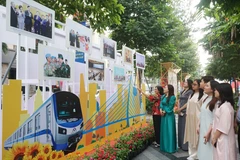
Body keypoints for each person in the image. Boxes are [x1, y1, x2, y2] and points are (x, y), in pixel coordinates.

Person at [211, 83, 237, 160]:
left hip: (223, 138)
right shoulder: (222, 105)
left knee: (224, 156)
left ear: (222, 92)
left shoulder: (225, 107)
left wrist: (214, 138)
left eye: (216, 90)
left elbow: (223, 126)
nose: (214, 91)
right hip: (221, 137)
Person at [197, 80, 219, 160]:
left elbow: (214, 119)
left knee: (209, 150)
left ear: (212, 89)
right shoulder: (206, 98)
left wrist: (208, 132)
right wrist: (198, 125)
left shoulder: (216, 102)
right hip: (203, 127)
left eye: (207, 86)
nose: (204, 87)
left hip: (210, 129)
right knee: (203, 148)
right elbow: (202, 113)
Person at [184, 79, 203, 160]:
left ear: (199, 85)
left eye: (195, 84)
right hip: (190, 118)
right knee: (190, 135)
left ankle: (196, 154)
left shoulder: (202, 96)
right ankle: (191, 153)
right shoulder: (191, 94)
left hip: (197, 118)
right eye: (193, 84)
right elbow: (188, 105)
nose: (193, 85)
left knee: (196, 136)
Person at [160, 84, 177, 153]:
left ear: (169, 89)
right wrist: (161, 109)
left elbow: (170, 107)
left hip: (169, 116)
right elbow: (161, 104)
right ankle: (164, 147)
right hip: (163, 116)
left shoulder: (172, 97)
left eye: (166, 87)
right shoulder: (163, 96)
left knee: (169, 131)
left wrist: (164, 110)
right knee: (164, 130)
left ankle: (170, 147)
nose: (164, 88)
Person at [177, 79, 193, 151]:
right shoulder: (182, 91)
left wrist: (181, 109)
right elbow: (179, 100)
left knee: (185, 128)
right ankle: (180, 144)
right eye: (184, 82)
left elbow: (189, 102)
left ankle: (185, 146)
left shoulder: (190, 92)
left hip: (185, 111)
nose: (184, 83)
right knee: (180, 127)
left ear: (189, 83)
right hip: (180, 111)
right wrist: (178, 108)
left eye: (186, 82)